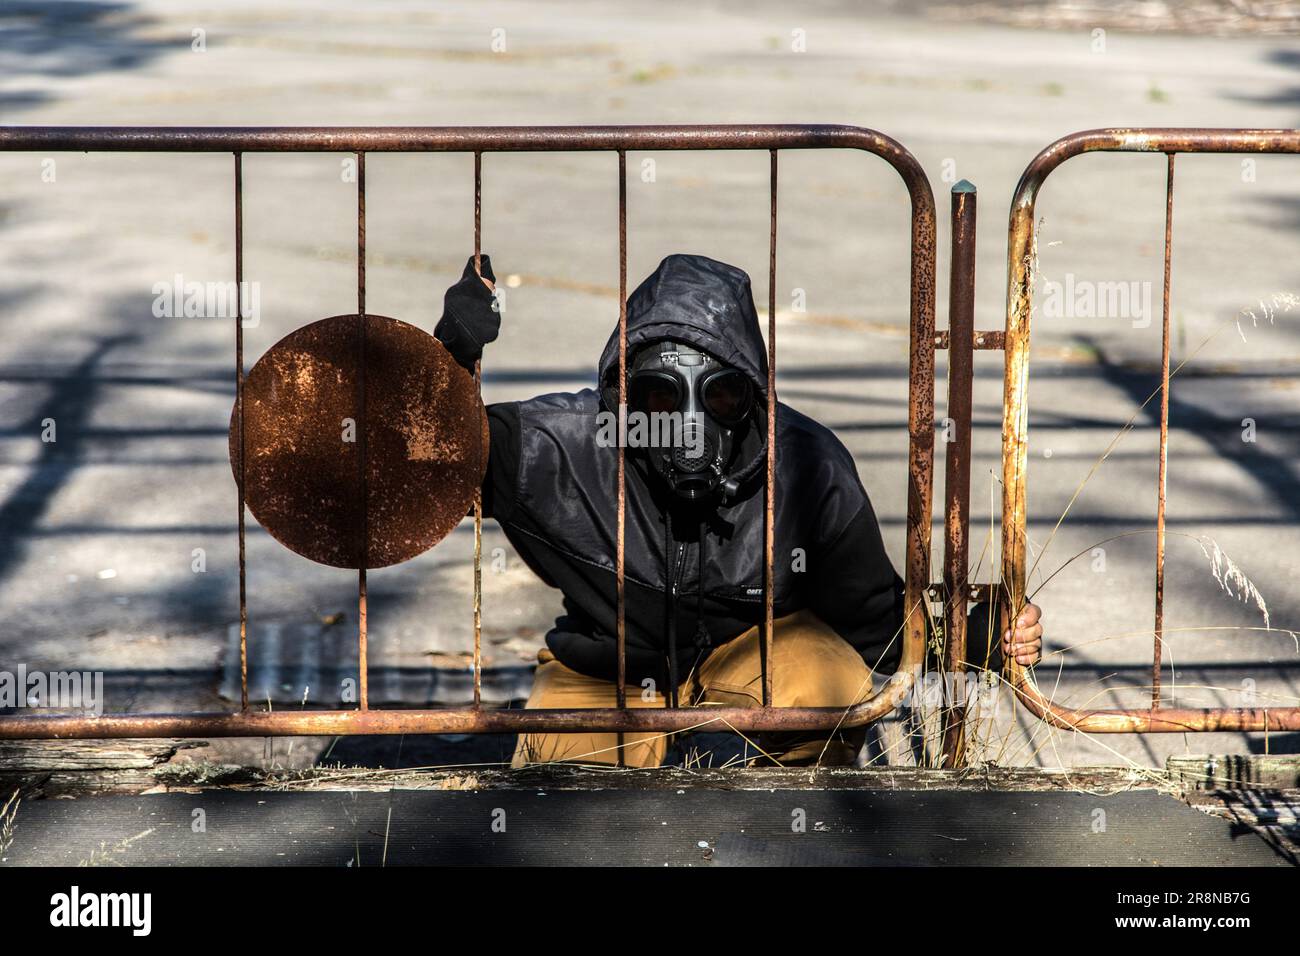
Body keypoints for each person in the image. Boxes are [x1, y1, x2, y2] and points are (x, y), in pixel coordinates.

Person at [435, 252, 1043, 768]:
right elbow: (417, 474)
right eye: (661, 397)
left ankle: (799, 833)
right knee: (570, 798)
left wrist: (989, 639)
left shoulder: (808, 468)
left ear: (751, 399)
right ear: (624, 399)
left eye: (721, 395)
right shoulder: (559, 448)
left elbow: (875, 621)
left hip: (758, 645)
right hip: (606, 660)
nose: (691, 428)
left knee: (830, 692)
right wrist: (447, 367)